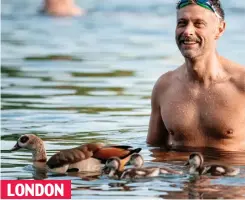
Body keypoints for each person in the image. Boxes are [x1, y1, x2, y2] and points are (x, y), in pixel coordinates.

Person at [147, 0, 245, 151]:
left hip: (232, 172)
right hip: (179, 173)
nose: (187, 31)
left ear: (219, 29)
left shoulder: (241, 84)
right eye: (182, 23)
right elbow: (155, 150)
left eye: (199, 24)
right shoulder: (164, 86)